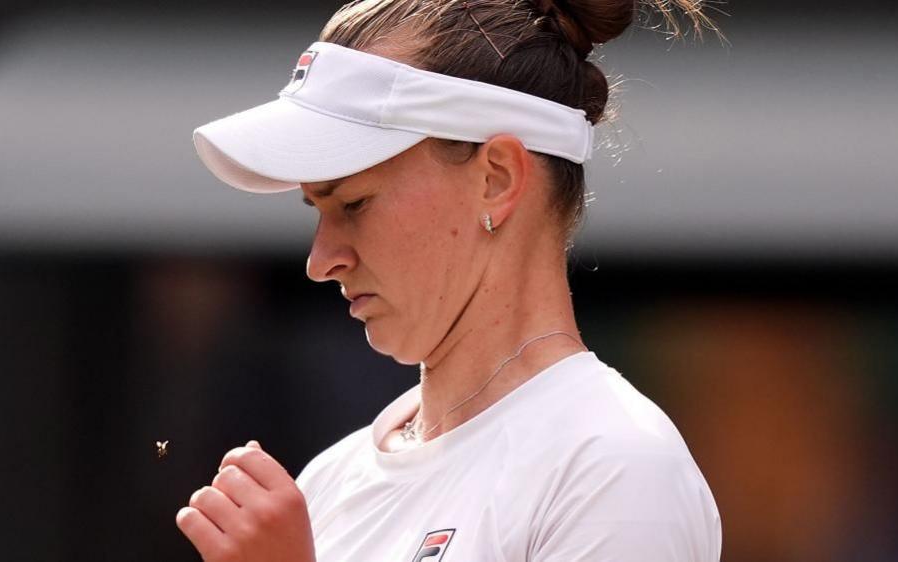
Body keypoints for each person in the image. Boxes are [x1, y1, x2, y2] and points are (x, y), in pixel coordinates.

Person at [176, 0, 723, 560]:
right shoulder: (329, 482)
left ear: (497, 178)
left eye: (355, 203)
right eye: (316, 208)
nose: (321, 260)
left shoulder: (615, 467)